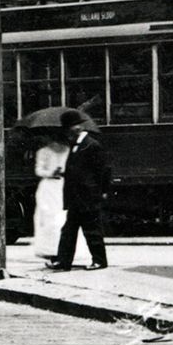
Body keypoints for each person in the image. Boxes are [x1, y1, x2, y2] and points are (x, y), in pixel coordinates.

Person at [51, 112, 112, 270]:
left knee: (92, 230)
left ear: (77, 128)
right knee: (69, 230)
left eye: (72, 127)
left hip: (87, 195)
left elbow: (104, 170)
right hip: (76, 196)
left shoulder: (91, 145)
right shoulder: (76, 145)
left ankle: (99, 261)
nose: (70, 130)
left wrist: (103, 190)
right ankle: (63, 261)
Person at [30, 128, 71, 262]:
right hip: (48, 186)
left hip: (62, 185)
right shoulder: (43, 152)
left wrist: (63, 171)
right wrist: (51, 173)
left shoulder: (67, 150)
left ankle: (62, 248)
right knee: (48, 216)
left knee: (62, 216)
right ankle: (49, 249)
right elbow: (39, 170)